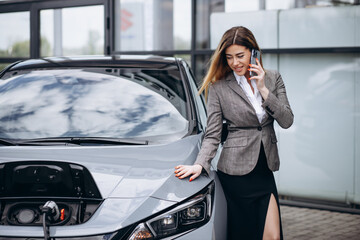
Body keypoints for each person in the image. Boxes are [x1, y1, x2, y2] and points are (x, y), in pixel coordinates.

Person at [174, 26, 294, 240]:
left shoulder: (273, 79)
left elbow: (287, 120)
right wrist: (200, 164)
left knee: (273, 236)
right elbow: (212, 134)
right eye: (229, 57)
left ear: (254, 52)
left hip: (264, 170)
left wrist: (263, 89)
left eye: (240, 55)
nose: (235, 62)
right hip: (234, 175)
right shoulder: (219, 87)